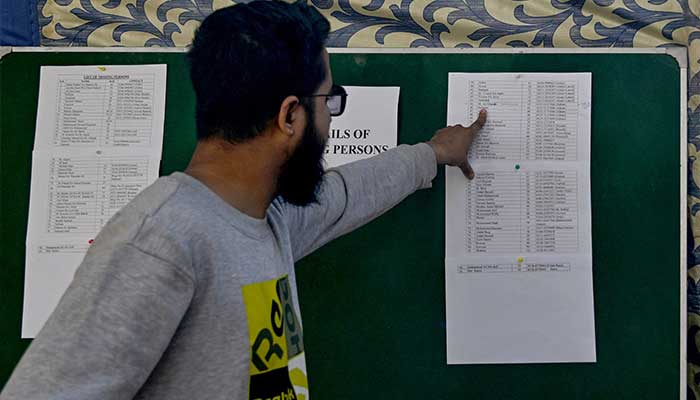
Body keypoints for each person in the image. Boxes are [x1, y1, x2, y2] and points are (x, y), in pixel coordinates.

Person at [1, 1, 486, 399]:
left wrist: (434, 153)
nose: (331, 118)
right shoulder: (161, 240)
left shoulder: (265, 217)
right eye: (328, 101)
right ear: (290, 116)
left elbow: (346, 193)